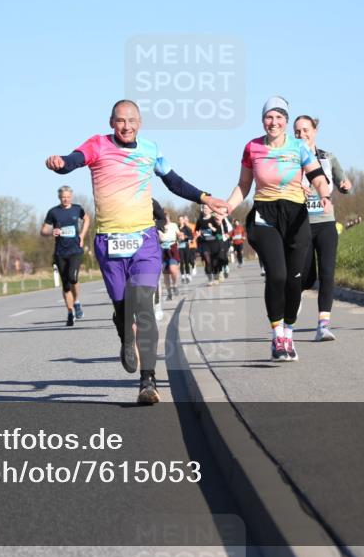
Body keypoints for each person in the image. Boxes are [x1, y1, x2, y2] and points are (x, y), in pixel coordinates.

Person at [45, 100, 228, 403]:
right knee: (122, 308)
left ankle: (148, 382)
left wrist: (205, 197)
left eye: (131, 120)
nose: (126, 126)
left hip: (144, 240)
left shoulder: (150, 149)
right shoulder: (98, 145)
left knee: (142, 305)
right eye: (120, 121)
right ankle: (124, 337)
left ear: (140, 122)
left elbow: (173, 181)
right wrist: (60, 163)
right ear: (111, 122)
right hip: (108, 242)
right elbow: (75, 159)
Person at [225, 97, 331, 362]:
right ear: (263, 120)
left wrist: (324, 193)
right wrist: (227, 207)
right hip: (264, 214)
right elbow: (243, 185)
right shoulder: (252, 147)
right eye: (269, 117)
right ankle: (277, 335)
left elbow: (317, 175)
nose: (274, 122)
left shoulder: (299, 147)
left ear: (286, 120)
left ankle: (289, 331)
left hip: (295, 215)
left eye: (279, 118)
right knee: (278, 276)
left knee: (295, 280)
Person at [292, 115, 352, 342]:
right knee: (306, 278)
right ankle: (293, 298)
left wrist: (346, 186)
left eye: (305, 130)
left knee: (327, 274)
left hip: (326, 223)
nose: (301, 135)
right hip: (301, 225)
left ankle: (323, 325)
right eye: (297, 132)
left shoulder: (328, 158)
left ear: (315, 131)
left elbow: (342, 182)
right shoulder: (290, 159)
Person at [41, 185, 89, 326]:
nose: (65, 199)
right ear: (59, 198)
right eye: (63, 197)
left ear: (71, 197)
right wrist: (51, 232)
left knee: (73, 278)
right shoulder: (53, 212)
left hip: (75, 250)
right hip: (60, 252)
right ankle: (70, 312)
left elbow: (87, 219)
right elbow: (43, 230)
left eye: (68, 197)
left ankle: (77, 302)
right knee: (66, 285)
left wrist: (82, 235)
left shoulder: (77, 209)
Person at [195, 204, 223, 285]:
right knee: (207, 261)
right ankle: (210, 279)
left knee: (214, 261)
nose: (205, 209)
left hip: (214, 242)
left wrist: (211, 228)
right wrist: (198, 233)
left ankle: (216, 277)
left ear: (210, 210)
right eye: (204, 208)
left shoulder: (214, 219)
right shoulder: (200, 220)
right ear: (202, 209)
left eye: (207, 208)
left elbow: (218, 231)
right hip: (204, 243)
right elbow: (196, 229)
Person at [158, 208, 181, 300]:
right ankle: (169, 292)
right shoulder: (159, 227)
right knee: (166, 273)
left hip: (172, 248)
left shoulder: (173, 225)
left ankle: (175, 285)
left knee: (173, 269)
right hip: (162, 249)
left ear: (169, 217)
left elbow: (179, 233)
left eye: (167, 217)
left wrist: (180, 235)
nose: (166, 219)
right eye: (164, 217)